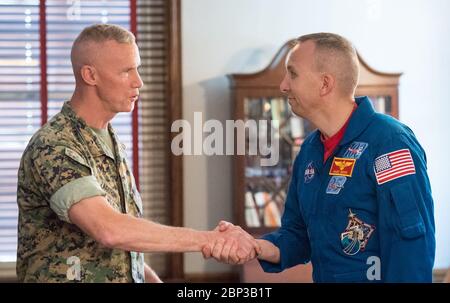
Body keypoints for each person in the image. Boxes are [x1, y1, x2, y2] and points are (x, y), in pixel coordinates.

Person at [16, 24, 259, 283]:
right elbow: (108, 229)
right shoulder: (54, 145)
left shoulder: (110, 141)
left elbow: (123, 247)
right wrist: (210, 239)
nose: (138, 81)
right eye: (126, 71)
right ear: (90, 75)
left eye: (138, 68)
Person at [204, 33, 436, 282]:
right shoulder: (310, 151)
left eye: (292, 73)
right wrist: (255, 246)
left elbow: (411, 248)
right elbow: (298, 236)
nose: (283, 85)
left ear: (325, 84)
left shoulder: (390, 142)